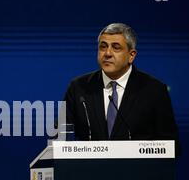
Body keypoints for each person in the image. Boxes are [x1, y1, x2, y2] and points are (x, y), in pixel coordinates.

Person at [63, 23, 180, 156]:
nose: (107, 53)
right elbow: (59, 137)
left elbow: (171, 145)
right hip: (88, 172)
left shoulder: (154, 91)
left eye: (116, 48)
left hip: (137, 174)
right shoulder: (78, 88)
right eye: (103, 47)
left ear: (131, 55)